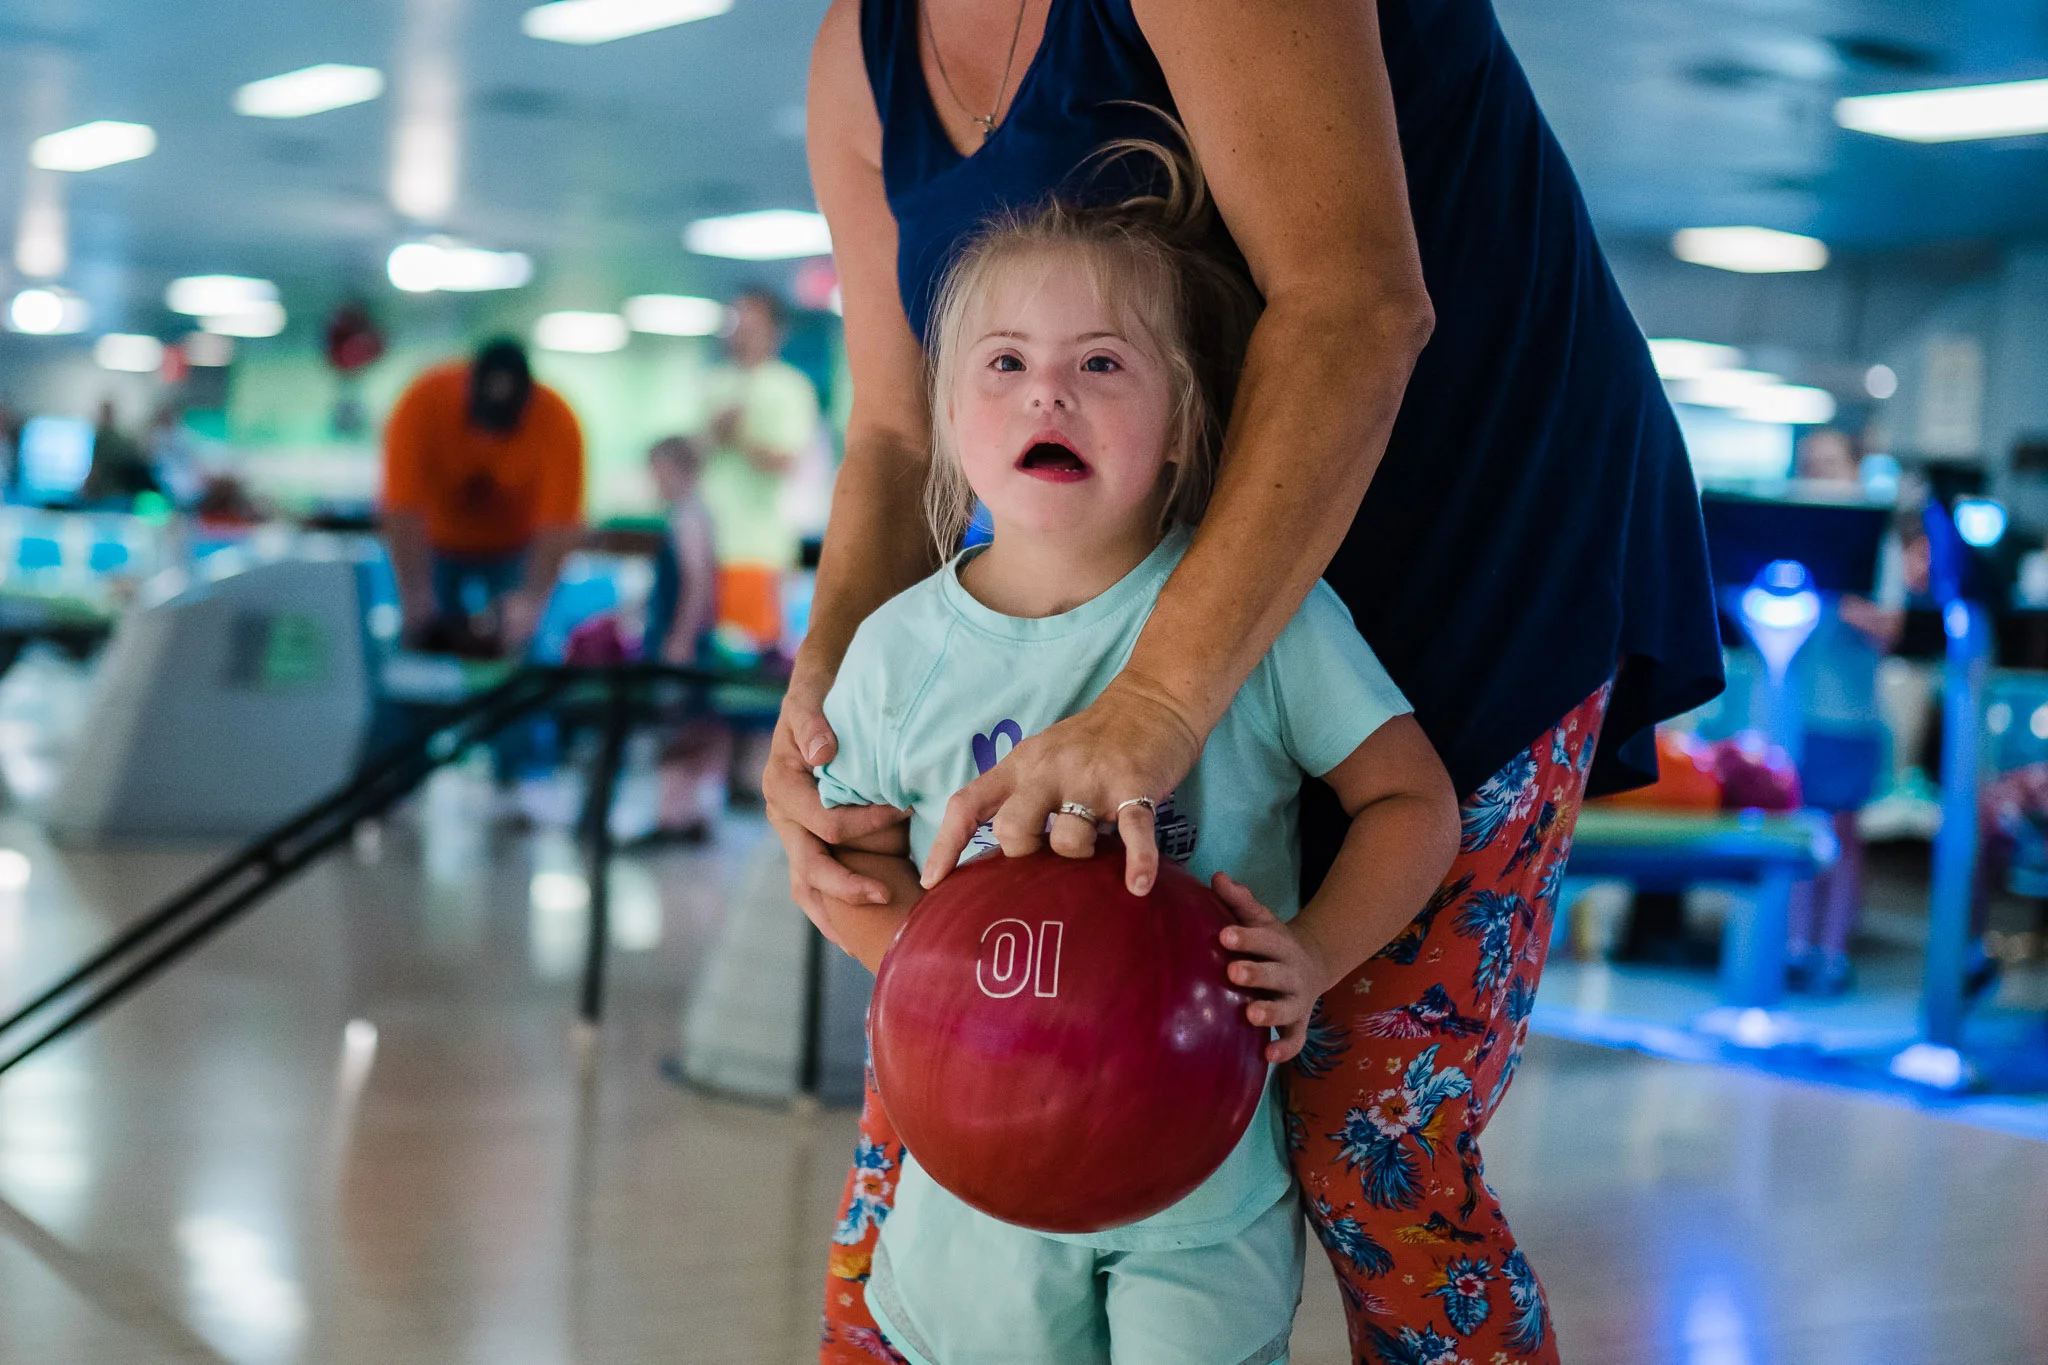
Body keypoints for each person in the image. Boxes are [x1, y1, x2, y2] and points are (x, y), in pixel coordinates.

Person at [781, 2, 1722, 1360]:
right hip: (1126, 587)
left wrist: (1164, 705)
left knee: (1364, 1129)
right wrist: (824, 707)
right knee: (958, 1093)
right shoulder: (859, 53)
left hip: (1468, 554)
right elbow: (888, 414)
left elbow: (1357, 302)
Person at [815, 156, 1458, 1362]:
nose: (1045, 392)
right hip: (976, 1184)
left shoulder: (1262, 615)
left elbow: (1409, 801)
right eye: (1002, 362)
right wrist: (931, 972)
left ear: (1181, 431)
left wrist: (1312, 954)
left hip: (1197, 1183)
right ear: (951, 413)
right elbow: (839, 861)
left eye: (1100, 363)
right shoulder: (895, 651)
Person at [1784, 429, 1904, 994]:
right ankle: (1790, 946)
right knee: (1792, 830)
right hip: (1790, 715)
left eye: (1830, 464)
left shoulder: (1877, 544)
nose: (1819, 475)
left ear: (1855, 471)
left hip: (1850, 719)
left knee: (1842, 835)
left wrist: (1838, 597)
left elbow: (1890, 629)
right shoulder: (1788, 536)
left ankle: (1832, 952)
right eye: (1810, 465)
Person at [380, 339, 585, 655]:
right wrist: (415, 595)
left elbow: (559, 524)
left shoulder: (557, 419)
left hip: (512, 548)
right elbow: (401, 508)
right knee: (421, 637)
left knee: (520, 641)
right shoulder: (423, 401)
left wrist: (532, 600)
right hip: (438, 546)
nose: (489, 439)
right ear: (466, 388)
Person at [697, 287, 822, 653]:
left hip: (755, 551)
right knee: (701, 657)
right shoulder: (713, 382)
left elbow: (787, 462)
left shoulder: (790, 387)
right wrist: (714, 433)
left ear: (774, 331)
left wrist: (739, 436)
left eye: (751, 324)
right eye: (735, 323)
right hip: (703, 548)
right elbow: (689, 458)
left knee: (744, 660)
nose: (741, 332)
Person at [643, 436, 729, 840]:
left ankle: (672, 815)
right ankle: (688, 812)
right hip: (690, 637)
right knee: (691, 724)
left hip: (682, 640)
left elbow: (696, 584)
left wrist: (678, 639)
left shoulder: (688, 517)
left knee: (676, 724)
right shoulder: (697, 514)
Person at [80, 399, 157, 505]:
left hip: (105, 494)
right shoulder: (124, 439)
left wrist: (85, 491)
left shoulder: (103, 437)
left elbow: (95, 468)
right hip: (123, 494)